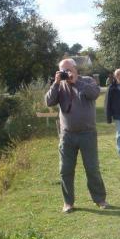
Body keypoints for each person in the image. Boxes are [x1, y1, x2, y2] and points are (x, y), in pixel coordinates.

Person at [45, 58, 109, 213]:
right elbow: (48, 102)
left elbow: (94, 93)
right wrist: (56, 83)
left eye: (68, 70)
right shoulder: (59, 86)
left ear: (75, 69)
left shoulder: (87, 81)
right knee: (65, 170)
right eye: (63, 70)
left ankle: (100, 199)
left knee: (92, 168)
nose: (66, 73)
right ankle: (68, 203)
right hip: (67, 136)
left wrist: (76, 82)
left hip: (87, 134)